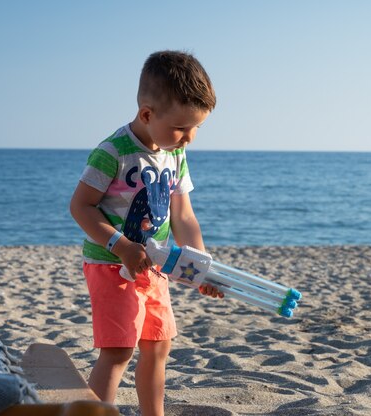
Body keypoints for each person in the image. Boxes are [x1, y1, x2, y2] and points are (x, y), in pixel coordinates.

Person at [69, 50, 223, 416]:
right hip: (111, 266)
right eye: (181, 127)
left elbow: (183, 217)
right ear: (147, 114)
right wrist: (120, 245)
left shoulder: (175, 155)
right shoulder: (113, 152)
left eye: (196, 127)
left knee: (158, 345)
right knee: (119, 350)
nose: (189, 137)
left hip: (154, 267)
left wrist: (200, 267)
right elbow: (80, 207)